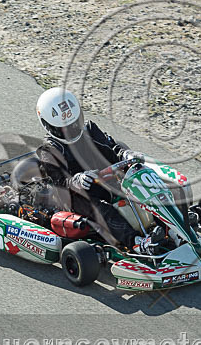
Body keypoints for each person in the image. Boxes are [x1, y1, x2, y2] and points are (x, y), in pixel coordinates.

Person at [33, 87, 161, 254]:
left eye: (74, 123)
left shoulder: (89, 129)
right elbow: (58, 183)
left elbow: (113, 149)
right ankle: (137, 243)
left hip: (107, 180)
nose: (72, 129)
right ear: (49, 125)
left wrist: (126, 154)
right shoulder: (49, 150)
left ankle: (173, 228)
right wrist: (77, 180)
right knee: (104, 210)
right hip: (75, 196)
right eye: (66, 127)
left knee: (144, 186)